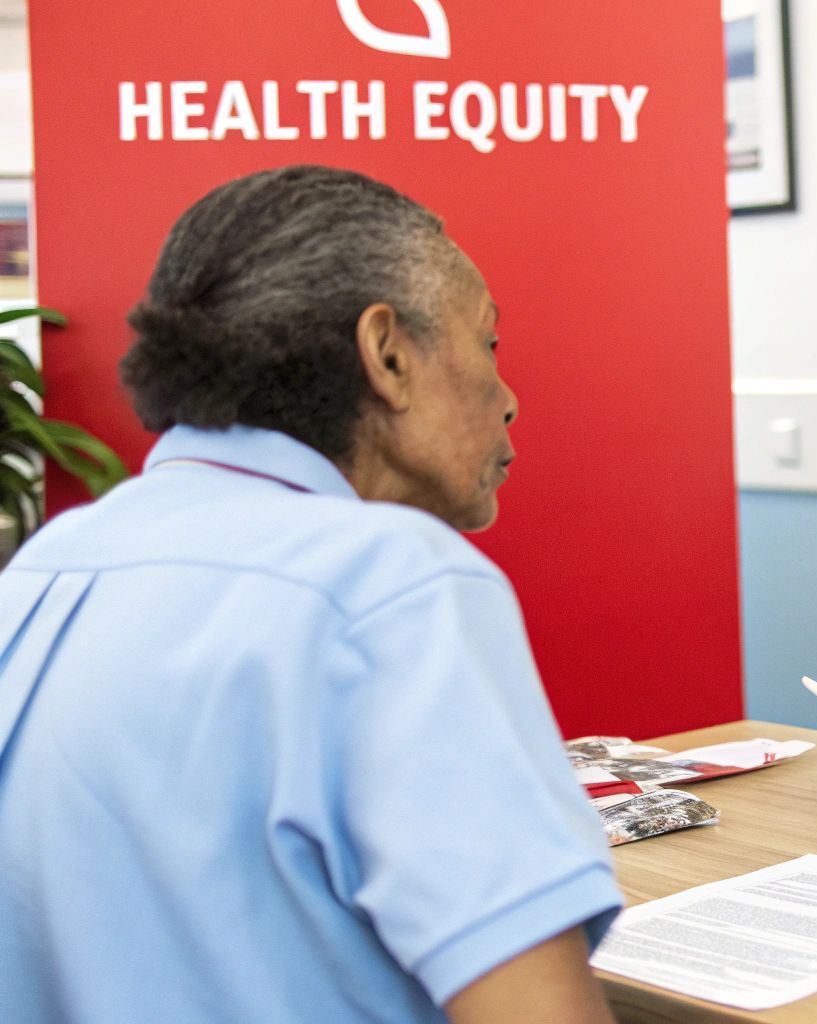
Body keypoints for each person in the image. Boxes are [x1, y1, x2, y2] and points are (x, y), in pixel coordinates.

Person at [0, 166, 620, 1022]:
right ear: (388, 354)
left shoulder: (43, 570)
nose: (507, 399)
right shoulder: (392, 583)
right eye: (488, 343)